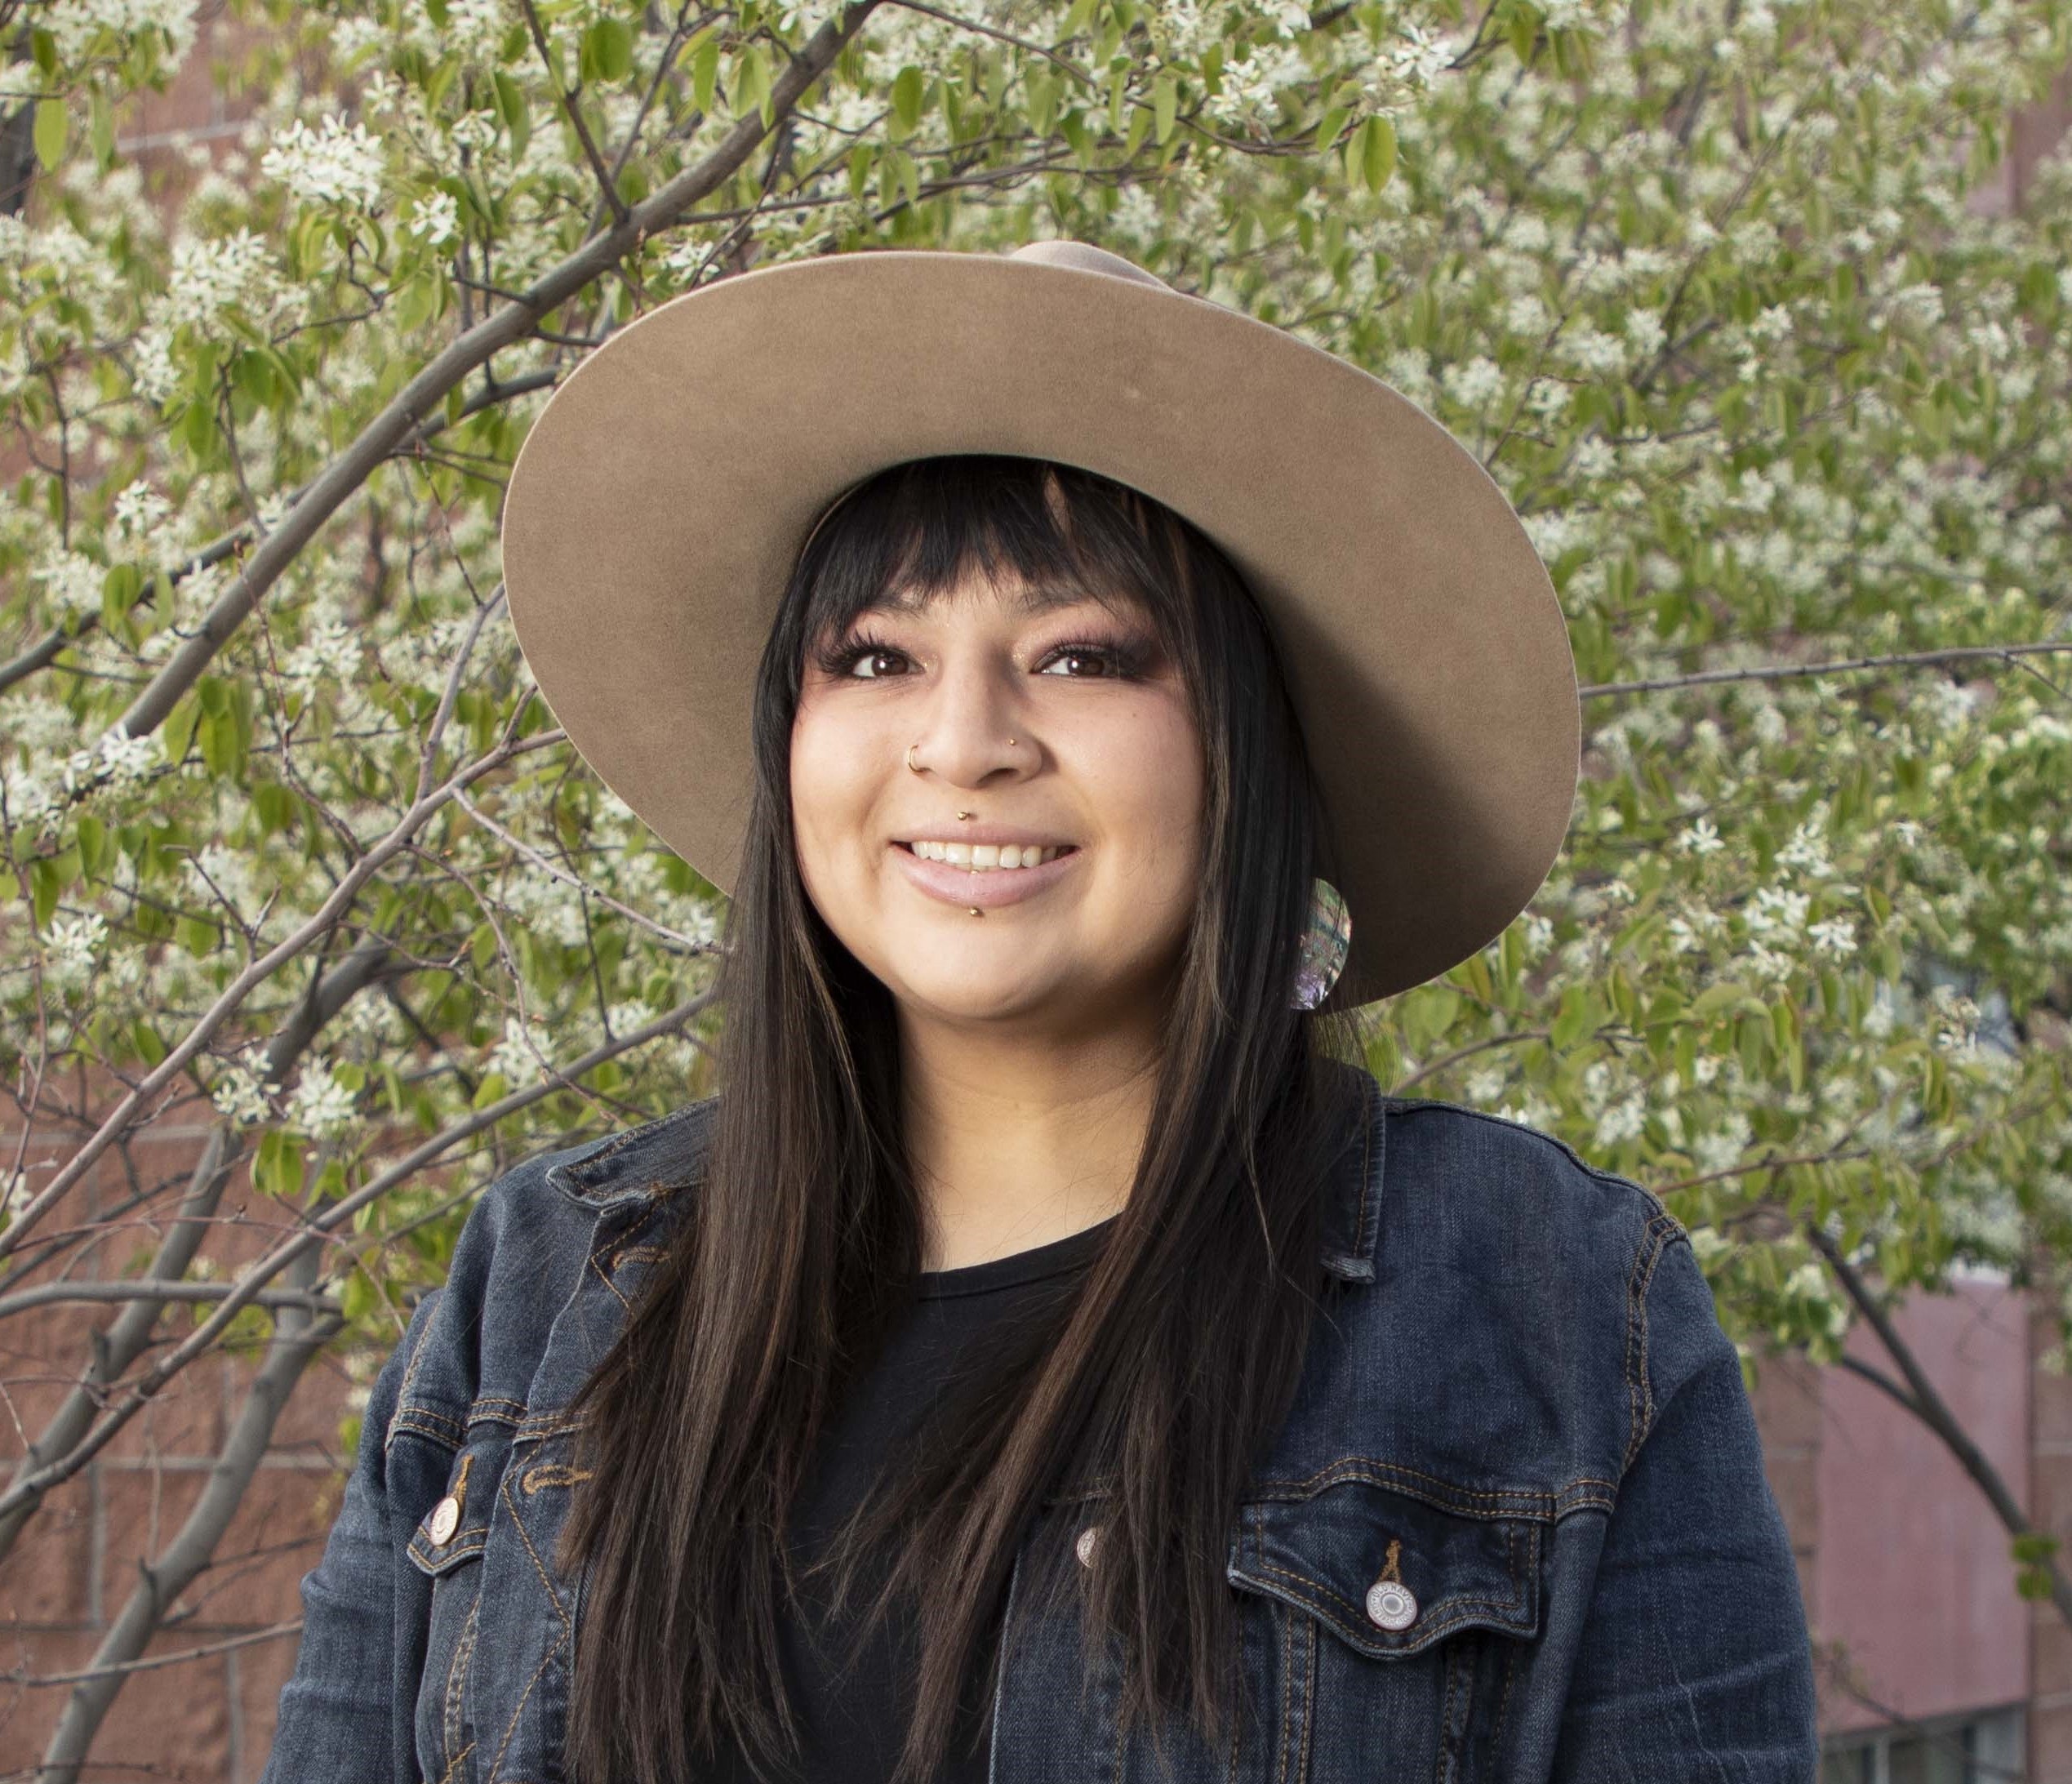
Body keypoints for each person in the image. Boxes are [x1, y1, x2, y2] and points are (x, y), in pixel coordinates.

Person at [257, 242, 1819, 1784]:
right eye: (875, 654)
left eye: (1081, 654)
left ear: (1242, 749)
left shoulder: (1549, 1305)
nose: (963, 741)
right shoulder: (540, 1288)